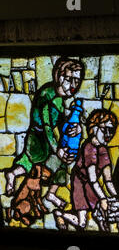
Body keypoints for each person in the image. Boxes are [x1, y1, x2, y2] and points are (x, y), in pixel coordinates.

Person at [5, 58, 85, 209]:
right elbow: (48, 126)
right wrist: (58, 149)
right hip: (38, 137)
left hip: (50, 138)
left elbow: (60, 123)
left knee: (60, 164)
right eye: (70, 79)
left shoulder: (60, 99)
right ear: (60, 76)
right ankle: (12, 176)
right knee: (32, 162)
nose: (74, 85)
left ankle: (51, 194)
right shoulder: (47, 96)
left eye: (77, 80)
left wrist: (77, 129)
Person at [54, 109, 119, 231]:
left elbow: (108, 180)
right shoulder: (89, 148)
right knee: (82, 223)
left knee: (101, 214)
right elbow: (93, 178)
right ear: (93, 128)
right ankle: (60, 214)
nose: (108, 135)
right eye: (103, 129)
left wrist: (117, 197)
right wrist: (102, 198)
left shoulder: (104, 151)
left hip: (92, 186)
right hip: (81, 183)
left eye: (111, 130)